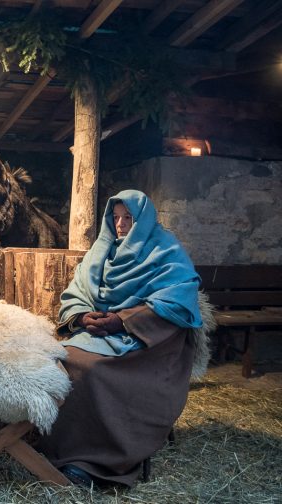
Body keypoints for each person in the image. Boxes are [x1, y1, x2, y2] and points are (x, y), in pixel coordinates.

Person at [38, 189, 203, 487]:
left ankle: (99, 461)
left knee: (92, 370)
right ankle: (58, 447)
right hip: (99, 332)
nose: (121, 225)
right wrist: (81, 316)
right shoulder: (103, 250)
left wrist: (123, 320)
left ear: (143, 219)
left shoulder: (166, 250)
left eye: (128, 218)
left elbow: (178, 301)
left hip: (148, 345)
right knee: (60, 359)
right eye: (115, 218)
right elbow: (78, 289)